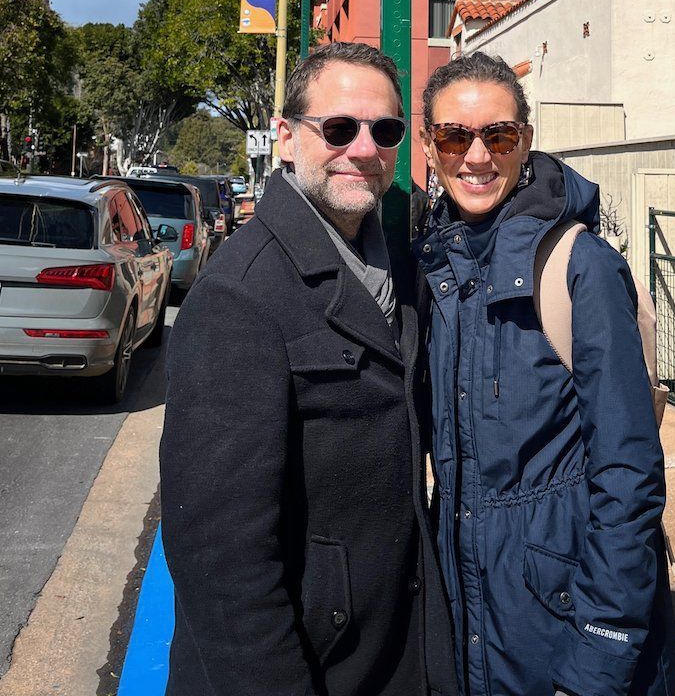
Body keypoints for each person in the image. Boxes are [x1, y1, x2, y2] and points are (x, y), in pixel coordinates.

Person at [160, 42, 457, 696]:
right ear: (287, 138)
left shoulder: (396, 270)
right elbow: (220, 563)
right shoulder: (238, 300)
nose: (363, 148)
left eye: (385, 130)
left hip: (391, 656)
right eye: (339, 128)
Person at [414, 53, 675, 696]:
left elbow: (629, 477)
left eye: (498, 135)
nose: (476, 157)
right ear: (428, 147)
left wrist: (599, 658)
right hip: (472, 622)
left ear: (525, 142)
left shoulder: (578, 268)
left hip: (562, 635)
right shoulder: (434, 264)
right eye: (454, 136)